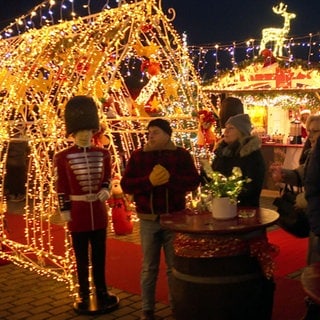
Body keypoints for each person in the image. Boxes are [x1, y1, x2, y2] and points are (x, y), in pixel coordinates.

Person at [120, 118, 200, 320]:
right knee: (149, 267)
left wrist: (171, 179)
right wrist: (149, 182)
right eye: (149, 132)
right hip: (148, 220)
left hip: (174, 219)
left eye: (155, 132)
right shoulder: (139, 156)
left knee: (175, 268)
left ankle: (177, 307)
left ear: (167, 134)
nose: (150, 136)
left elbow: (193, 181)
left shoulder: (181, 155)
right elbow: (127, 184)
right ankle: (147, 309)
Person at [53, 95, 119, 314]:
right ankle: (83, 292)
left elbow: (108, 178)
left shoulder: (103, 153)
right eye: (80, 132)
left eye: (88, 131)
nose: (84, 135)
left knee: (99, 255)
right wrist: (65, 210)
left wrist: (105, 189)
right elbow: (61, 185)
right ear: (73, 133)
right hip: (79, 213)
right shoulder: (62, 157)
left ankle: (101, 290)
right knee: (81, 257)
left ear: (93, 131)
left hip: (98, 212)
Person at [210, 113, 265, 207]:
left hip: (244, 208)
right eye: (225, 128)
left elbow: (251, 186)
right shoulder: (222, 152)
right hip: (221, 206)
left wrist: (227, 195)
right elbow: (213, 175)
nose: (225, 132)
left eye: (231, 128)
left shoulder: (251, 154)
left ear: (241, 132)